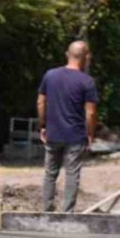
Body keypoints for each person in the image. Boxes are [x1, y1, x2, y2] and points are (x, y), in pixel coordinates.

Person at [37, 40, 98, 213]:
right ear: (87, 57)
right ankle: (67, 212)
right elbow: (91, 113)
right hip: (75, 135)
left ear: (67, 54)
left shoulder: (50, 75)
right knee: (72, 173)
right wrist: (90, 134)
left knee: (50, 173)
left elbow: (41, 102)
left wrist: (43, 125)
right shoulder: (87, 81)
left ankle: (46, 210)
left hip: (53, 133)